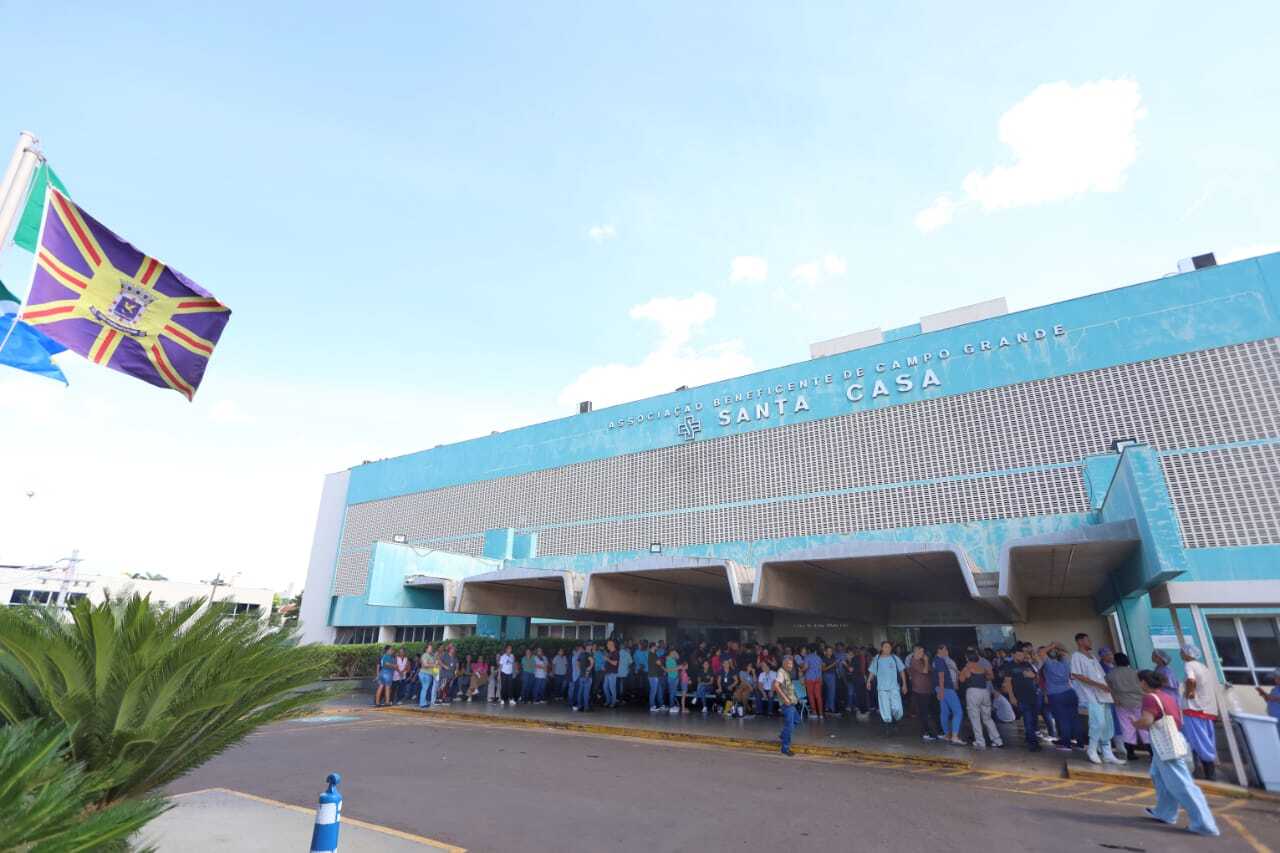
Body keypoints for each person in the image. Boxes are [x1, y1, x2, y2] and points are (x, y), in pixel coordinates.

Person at [1134, 669, 1220, 837]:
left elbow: (1147, 721)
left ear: (1144, 682)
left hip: (1166, 745)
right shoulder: (1167, 696)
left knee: (1182, 784)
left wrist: (1135, 724)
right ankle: (1165, 812)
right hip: (1170, 741)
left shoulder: (1150, 698)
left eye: (1139, 681)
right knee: (1158, 776)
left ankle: (1204, 824)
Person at [1070, 633, 1125, 765]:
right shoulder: (1076, 656)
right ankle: (1092, 749)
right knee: (1098, 722)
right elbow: (1077, 675)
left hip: (1104, 695)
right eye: (1087, 640)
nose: (1090, 642)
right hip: (1091, 695)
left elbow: (1102, 676)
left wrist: (1109, 690)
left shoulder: (1093, 657)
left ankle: (1108, 753)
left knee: (1107, 724)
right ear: (1080, 641)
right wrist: (1098, 685)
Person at [1180, 644, 1220, 780]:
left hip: (1194, 708)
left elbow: (1191, 680)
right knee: (1207, 737)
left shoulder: (1189, 665)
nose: (1181, 654)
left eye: (1182, 652)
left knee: (1197, 738)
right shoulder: (1203, 667)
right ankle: (1206, 768)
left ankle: (1208, 770)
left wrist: (1190, 692)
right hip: (1206, 708)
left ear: (1187, 654)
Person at [1106, 652, 1148, 760]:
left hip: (1122, 703)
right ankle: (1151, 751)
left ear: (1115, 661)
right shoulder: (1136, 672)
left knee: (1127, 727)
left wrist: (1115, 699)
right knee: (1143, 726)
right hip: (1139, 702)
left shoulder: (1111, 674)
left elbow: (1108, 688)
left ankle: (1130, 753)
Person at [959, 649, 1002, 749]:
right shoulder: (982, 668)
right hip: (984, 692)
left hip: (973, 692)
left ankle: (980, 741)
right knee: (987, 718)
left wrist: (961, 672)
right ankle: (997, 740)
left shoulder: (967, 668)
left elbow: (961, 679)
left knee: (975, 718)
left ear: (967, 658)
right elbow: (990, 677)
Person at [1001, 644, 1041, 751]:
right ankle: (1033, 744)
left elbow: (1036, 677)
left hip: (1032, 695)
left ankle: (1029, 738)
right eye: (1019, 655)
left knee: (1033, 720)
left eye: (1022, 654)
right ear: (1013, 655)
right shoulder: (1009, 666)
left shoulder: (1027, 664)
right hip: (1021, 697)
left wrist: (1033, 676)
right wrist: (1012, 697)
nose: (1021, 656)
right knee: (1028, 719)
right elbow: (1008, 682)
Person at [1042, 643, 1081, 751]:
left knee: (1063, 719)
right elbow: (1064, 653)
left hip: (1056, 695)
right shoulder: (1066, 662)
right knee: (1075, 718)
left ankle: (1066, 744)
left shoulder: (1049, 664)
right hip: (1070, 692)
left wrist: (1051, 645)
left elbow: (1041, 653)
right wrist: (1059, 647)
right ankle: (1080, 744)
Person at [868, 641, 906, 732]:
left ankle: (896, 720)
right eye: (885, 647)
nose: (887, 649)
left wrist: (904, 684)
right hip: (882, 689)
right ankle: (888, 727)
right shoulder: (877, 659)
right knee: (885, 709)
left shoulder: (895, 658)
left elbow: (902, 671)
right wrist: (869, 681)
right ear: (881, 648)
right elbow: (872, 671)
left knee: (897, 708)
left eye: (889, 647)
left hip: (894, 688)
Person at [907, 645, 941, 741]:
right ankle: (926, 732)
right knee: (923, 713)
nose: (923, 654)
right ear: (916, 652)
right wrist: (926, 661)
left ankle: (937, 731)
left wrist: (926, 661)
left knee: (933, 711)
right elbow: (925, 671)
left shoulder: (922, 660)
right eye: (921, 652)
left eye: (923, 652)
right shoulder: (914, 661)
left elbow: (931, 670)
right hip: (920, 690)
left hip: (928, 690)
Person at [932, 644, 964, 744]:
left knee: (945, 712)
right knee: (958, 711)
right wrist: (941, 691)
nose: (947, 651)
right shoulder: (940, 661)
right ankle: (954, 736)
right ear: (939, 650)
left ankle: (947, 735)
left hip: (941, 688)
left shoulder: (936, 660)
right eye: (945, 649)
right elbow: (941, 676)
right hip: (946, 688)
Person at [774, 655, 800, 756]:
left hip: (791, 702)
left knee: (796, 720)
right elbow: (776, 685)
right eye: (789, 664)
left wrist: (796, 697)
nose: (791, 666)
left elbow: (788, 687)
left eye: (792, 664)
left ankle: (783, 735)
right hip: (787, 704)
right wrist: (785, 699)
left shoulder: (786, 673)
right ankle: (785, 748)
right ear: (784, 663)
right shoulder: (781, 672)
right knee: (790, 726)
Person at [802, 645, 825, 719]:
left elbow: (805, 667)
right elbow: (821, 668)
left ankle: (814, 713)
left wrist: (801, 670)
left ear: (809, 650)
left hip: (809, 678)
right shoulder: (819, 658)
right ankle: (821, 714)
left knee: (811, 696)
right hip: (818, 678)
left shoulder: (807, 657)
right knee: (818, 696)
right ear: (815, 651)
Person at [821, 646, 839, 718]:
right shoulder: (824, 659)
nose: (830, 652)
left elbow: (835, 666)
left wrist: (836, 664)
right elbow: (823, 669)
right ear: (825, 652)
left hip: (833, 675)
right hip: (827, 675)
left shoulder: (832, 658)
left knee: (829, 692)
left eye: (831, 651)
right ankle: (832, 709)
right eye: (828, 651)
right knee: (832, 692)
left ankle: (827, 708)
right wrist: (833, 664)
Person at [418, 644, 438, 708]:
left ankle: (423, 702)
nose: (431, 649)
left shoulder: (431, 656)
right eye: (430, 648)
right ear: (426, 649)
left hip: (428, 674)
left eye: (432, 648)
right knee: (425, 688)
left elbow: (433, 664)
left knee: (425, 688)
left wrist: (433, 664)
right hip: (424, 674)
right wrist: (433, 665)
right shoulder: (425, 655)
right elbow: (425, 665)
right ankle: (422, 703)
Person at [647, 642, 665, 711]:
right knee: (653, 691)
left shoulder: (653, 654)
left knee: (658, 690)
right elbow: (659, 663)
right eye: (656, 646)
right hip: (653, 675)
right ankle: (652, 706)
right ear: (653, 647)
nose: (657, 647)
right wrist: (662, 660)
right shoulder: (652, 654)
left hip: (654, 675)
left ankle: (661, 705)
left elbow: (658, 663)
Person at [603, 640, 620, 708]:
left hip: (612, 673)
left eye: (608, 644)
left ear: (612, 645)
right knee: (605, 687)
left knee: (612, 688)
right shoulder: (610, 652)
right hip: (607, 672)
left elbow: (615, 663)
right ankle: (608, 701)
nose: (607, 645)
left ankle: (613, 702)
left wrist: (607, 659)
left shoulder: (616, 653)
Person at [665, 648, 682, 714]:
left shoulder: (673, 659)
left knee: (674, 693)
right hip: (671, 678)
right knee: (672, 693)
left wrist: (677, 655)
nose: (675, 654)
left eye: (675, 653)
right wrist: (678, 667)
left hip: (675, 677)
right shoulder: (668, 659)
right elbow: (668, 670)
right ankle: (671, 707)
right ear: (671, 653)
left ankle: (673, 705)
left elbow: (678, 657)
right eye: (674, 653)